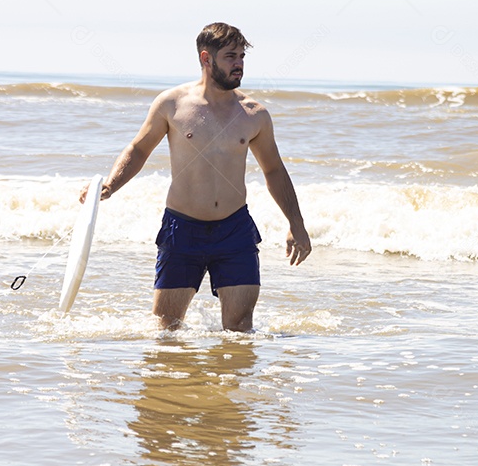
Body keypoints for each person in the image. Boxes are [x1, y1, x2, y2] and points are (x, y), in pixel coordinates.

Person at [81, 22, 311, 332]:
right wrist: (110, 185)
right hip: (182, 229)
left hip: (234, 231)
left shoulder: (254, 114)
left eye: (242, 56)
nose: (239, 64)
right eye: (231, 56)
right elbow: (138, 149)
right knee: (167, 329)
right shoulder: (172, 104)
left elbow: (274, 171)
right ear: (206, 58)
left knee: (240, 330)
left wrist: (296, 224)